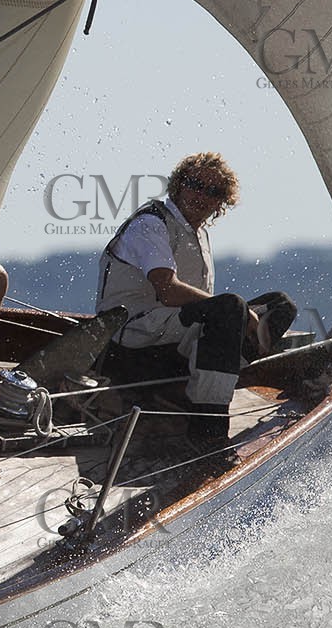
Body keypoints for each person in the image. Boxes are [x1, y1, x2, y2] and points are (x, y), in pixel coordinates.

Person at [96, 153, 295, 443]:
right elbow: (166, 288)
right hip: (129, 344)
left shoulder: (198, 234)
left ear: (221, 203)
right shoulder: (151, 223)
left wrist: (238, 316)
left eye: (214, 192)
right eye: (196, 185)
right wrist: (240, 314)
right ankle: (207, 430)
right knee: (230, 307)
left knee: (281, 304)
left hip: (170, 339)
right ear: (178, 185)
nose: (202, 195)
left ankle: (209, 384)